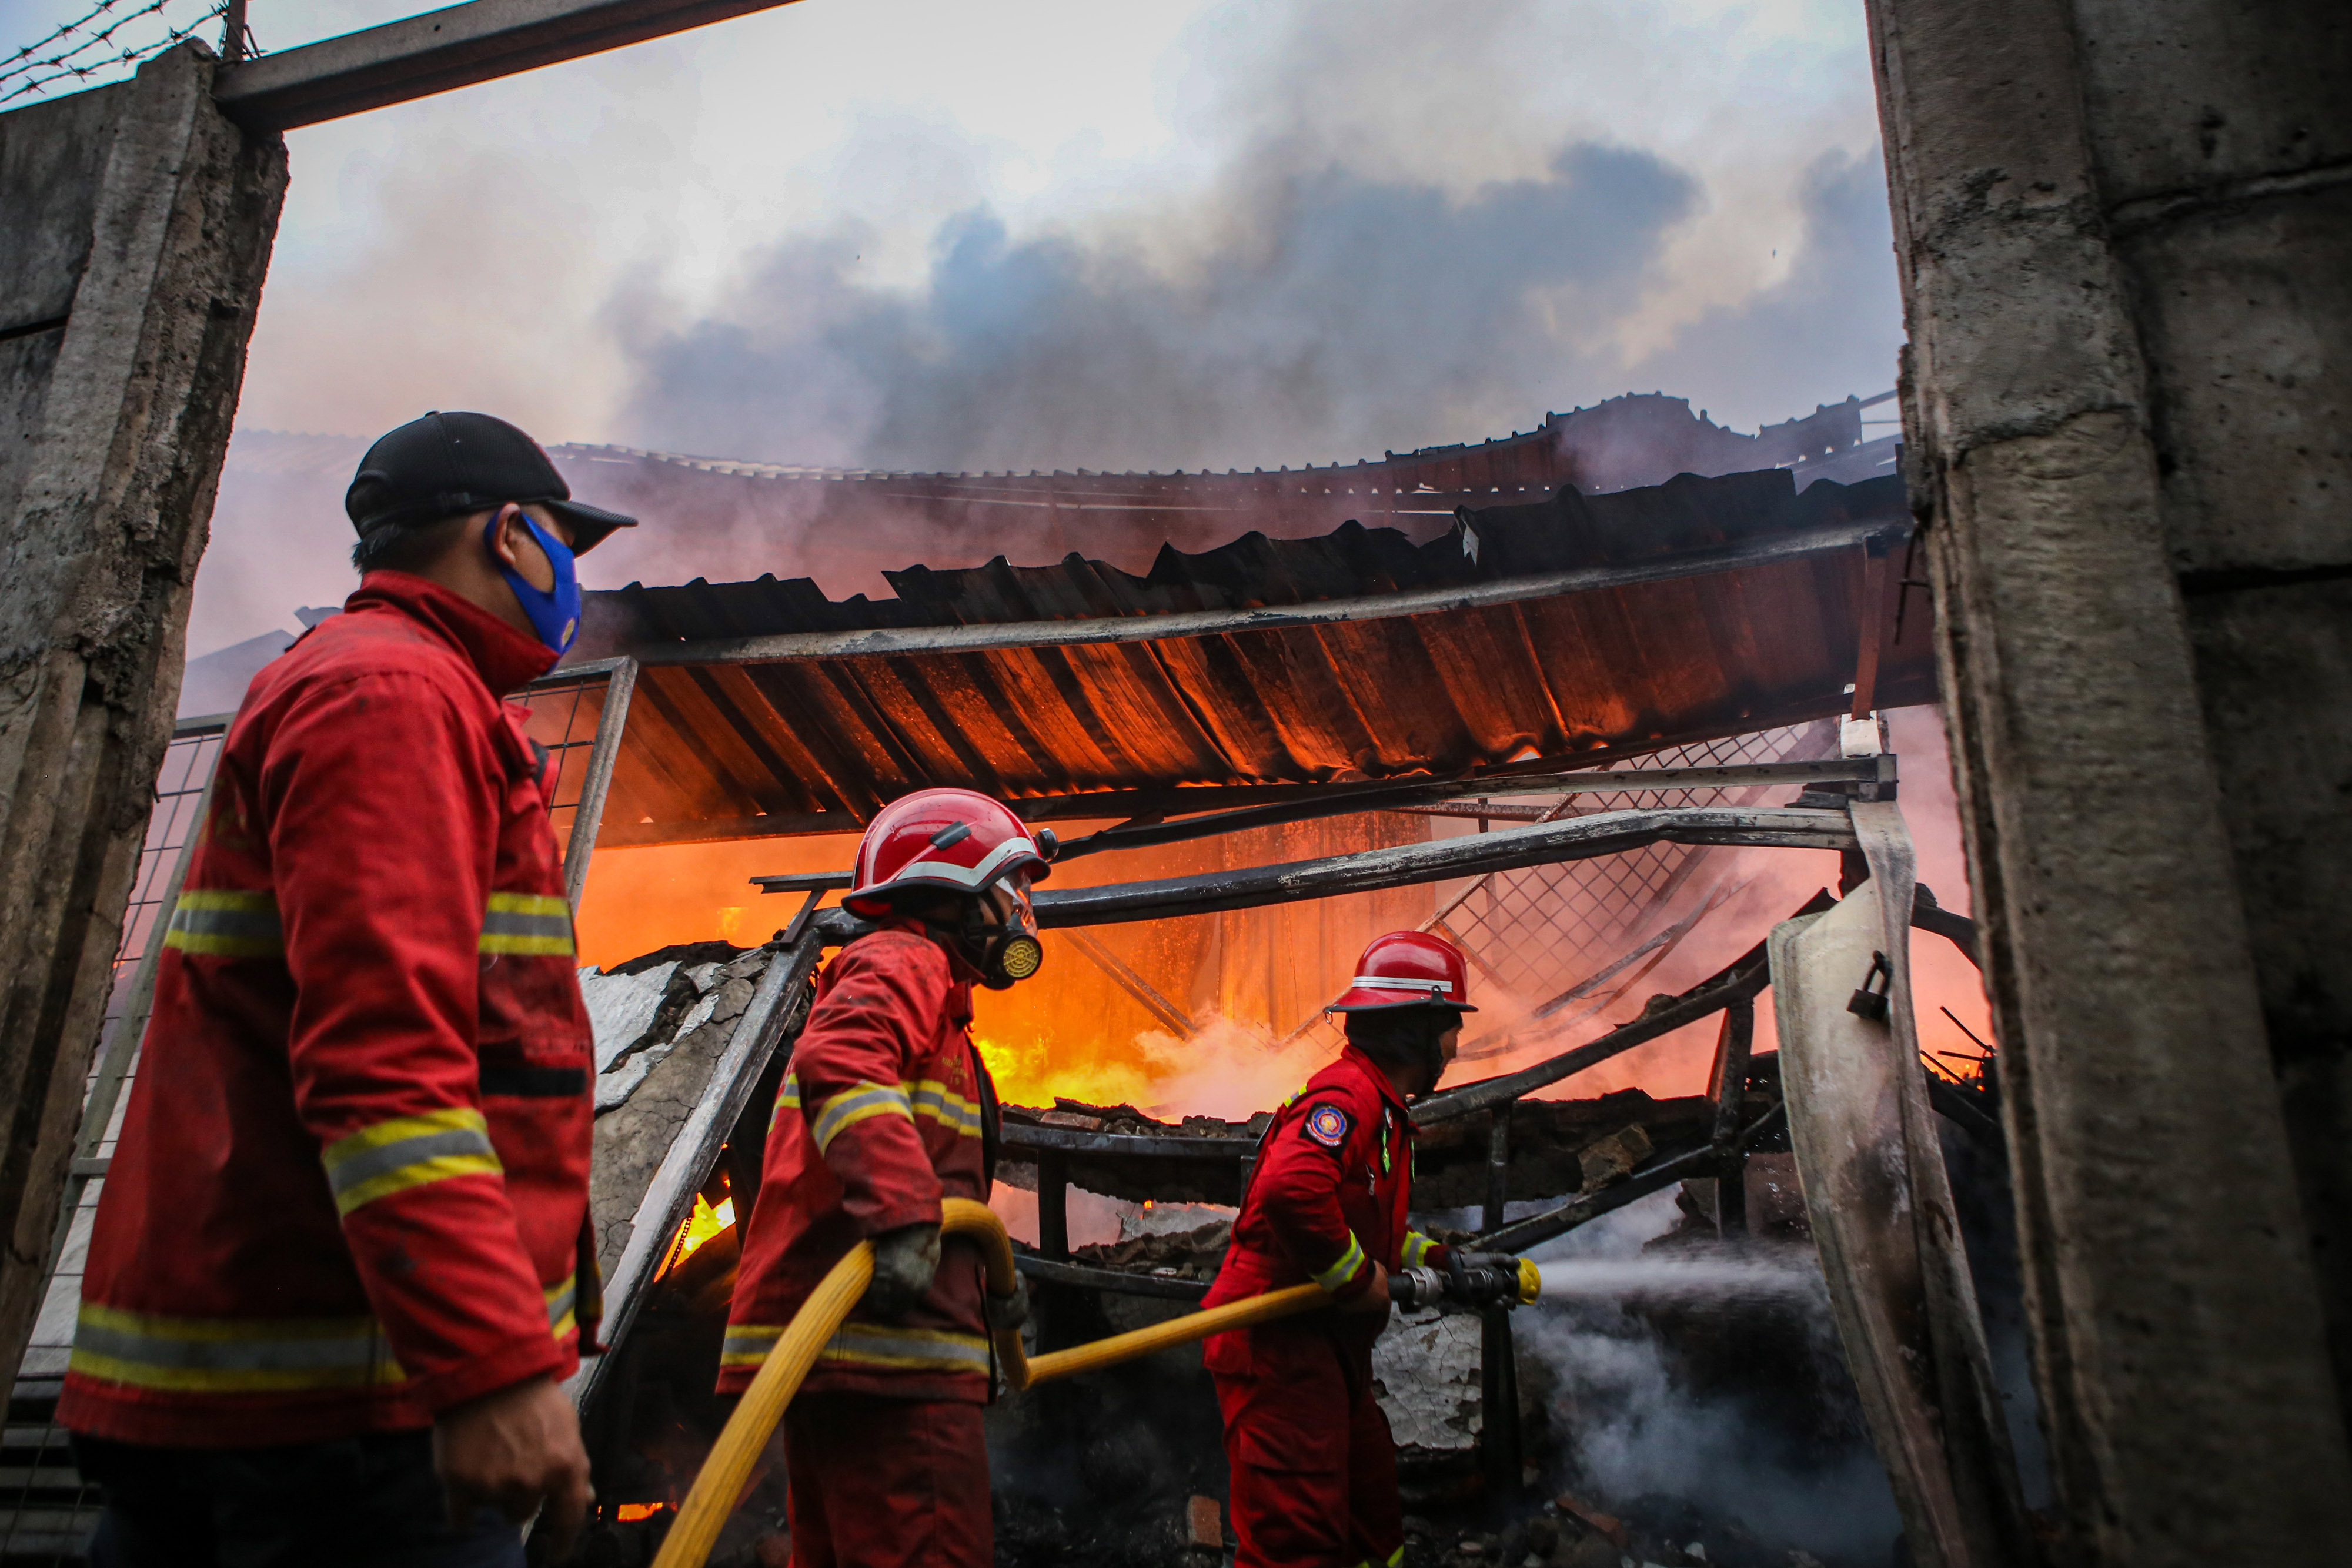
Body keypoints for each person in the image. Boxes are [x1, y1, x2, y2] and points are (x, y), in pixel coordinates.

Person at [59, 412, 640, 1566]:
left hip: (302, 1398)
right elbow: (387, 1059)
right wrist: (489, 1368)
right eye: (566, 545)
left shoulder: (377, 687)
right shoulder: (392, 696)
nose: (569, 576)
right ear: (514, 533)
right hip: (346, 1424)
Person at [718, 787, 1048, 1568]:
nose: (1022, 914)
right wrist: (904, 1219)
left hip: (854, 1353)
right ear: (950, 887)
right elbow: (842, 1060)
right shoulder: (905, 958)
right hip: (888, 1362)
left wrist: (990, 1286)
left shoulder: (927, 994)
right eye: (1011, 890)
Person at [1201, 932, 1476, 1568]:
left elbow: (1361, 1221)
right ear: (1418, 1028)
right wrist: (1357, 1281)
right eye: (1450, 1026)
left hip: (1327, 1355)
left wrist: (1426, 1259)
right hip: (1278, 1348)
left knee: (1371, 1526)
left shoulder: (1381, 1107)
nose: (1455, 1048)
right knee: (1297, 1542)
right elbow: (1291, 1192)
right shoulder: (1347, 1098)